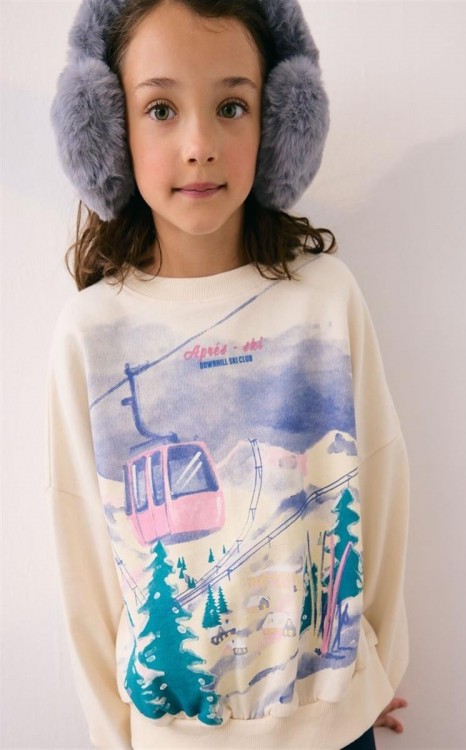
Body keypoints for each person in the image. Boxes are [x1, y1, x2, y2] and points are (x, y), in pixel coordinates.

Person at [46, 0, 410, 748]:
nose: (200, 145)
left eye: (232, 106)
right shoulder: (89, 334)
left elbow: (381, 484)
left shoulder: (325, 299)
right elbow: (83, 563)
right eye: (161, 110)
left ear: (276, 123)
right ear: (109, 130)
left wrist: (366, 672)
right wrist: (115, 736)